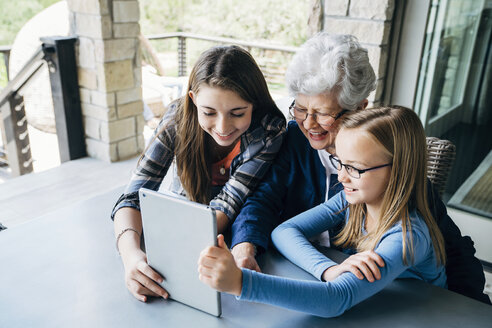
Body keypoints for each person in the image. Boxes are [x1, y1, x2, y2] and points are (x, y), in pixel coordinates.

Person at [229, 33, 490, 304]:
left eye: (323, 113)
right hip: (304, 273)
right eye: (301, 109)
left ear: (359, 108)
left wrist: (466, 308)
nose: (308, 123)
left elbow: (453, 251)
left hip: (368, 296)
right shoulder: (293, 139)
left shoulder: (392, 184)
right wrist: (244, 246)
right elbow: (262, 201)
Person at [198, 107, 448, 317]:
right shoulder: (351, 201)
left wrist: (241, 283)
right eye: (341, 162)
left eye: (355, 168)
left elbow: (335, 299)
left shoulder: (408, 236)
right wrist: (328, 270)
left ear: (399, 171)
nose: (341, 177)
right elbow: (284, 231)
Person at [111, 45, 286, 302]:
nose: (223, 127)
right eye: (209, 112)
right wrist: (131, 258)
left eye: (237, 113)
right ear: (193, 100)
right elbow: (133, 195)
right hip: (185, 228)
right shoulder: (176, 119)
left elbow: (229, 202)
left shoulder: (270, 130)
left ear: (254, 105)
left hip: (236, 233)